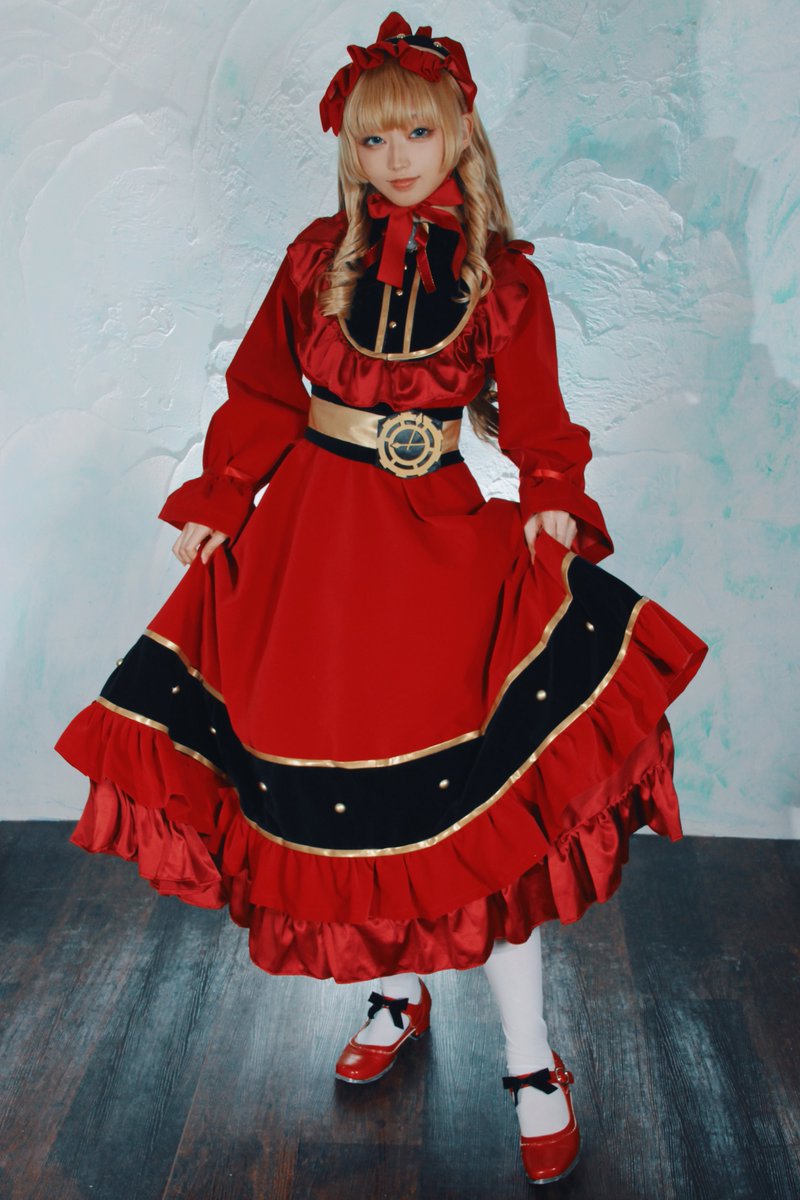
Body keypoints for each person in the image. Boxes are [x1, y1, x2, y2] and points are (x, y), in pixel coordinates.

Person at [55, 12, 707, 1186]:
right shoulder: (316, 260)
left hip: (435, 548)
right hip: (310, 549)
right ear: (347, 149)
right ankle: (394, 993)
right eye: (371, 139)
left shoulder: (504, 279)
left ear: (457, 135)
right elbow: (262, 393)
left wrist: (552, 501)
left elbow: (541, 421)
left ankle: (530, 1062)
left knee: (473, 806)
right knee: (338, 787)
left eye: (415, 133)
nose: (394, 157)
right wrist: (220, 496)